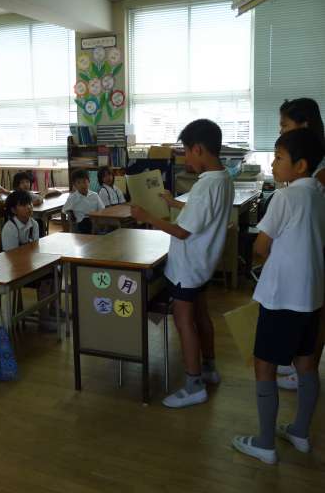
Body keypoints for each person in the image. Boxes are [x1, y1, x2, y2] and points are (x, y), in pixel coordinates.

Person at [232, 129, 325, 465]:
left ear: (300, 165)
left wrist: (270, 257)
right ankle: (300, 431)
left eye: (279, 157)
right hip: (311, 297)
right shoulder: (319, 195)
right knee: (306, 365)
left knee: (265, 366)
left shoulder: (285, 197)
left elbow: (261, 246)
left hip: (282, 297)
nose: (273, 163)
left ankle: (265, 443)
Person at [131, 119, 234, 408]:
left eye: (187, 152)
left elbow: (181, 231)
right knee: (202, 316)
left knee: (183, 320)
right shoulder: (223, 179)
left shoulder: (203, 186)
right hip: (204, 264)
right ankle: (209, 368)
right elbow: (205, 212)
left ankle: (193, 385)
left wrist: (147, 217)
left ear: (198, 149)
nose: (185, 158)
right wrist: (174, 203)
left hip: (188, 267)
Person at [277, 98, 325, 390]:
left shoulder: (320, 172)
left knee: (316, 313)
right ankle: (301, 364)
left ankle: (307, 370)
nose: (281, 131)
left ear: (304, 125)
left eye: (285, 125)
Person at [1, 190, 56, 332]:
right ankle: (44, 318)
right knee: (45, 278)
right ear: (13, 210)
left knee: (55, 271)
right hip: (15, 271)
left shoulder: (34, 224)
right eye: (23, 205)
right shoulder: (10, 228)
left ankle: (54, 308)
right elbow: (10, 257)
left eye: (30, 204)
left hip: (30, 265)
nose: (29, 207)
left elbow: (36, 248)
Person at [62, 170, 104, 234]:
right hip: (80, 224)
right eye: (78, 183)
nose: (82, 185)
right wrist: (69, 225)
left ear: (89, 182)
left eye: (84, 182)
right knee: (85, 222)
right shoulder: (72, 198)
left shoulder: (95, 195)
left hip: (94, 222)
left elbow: (102, 209)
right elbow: (64, 211)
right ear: (75, 185)